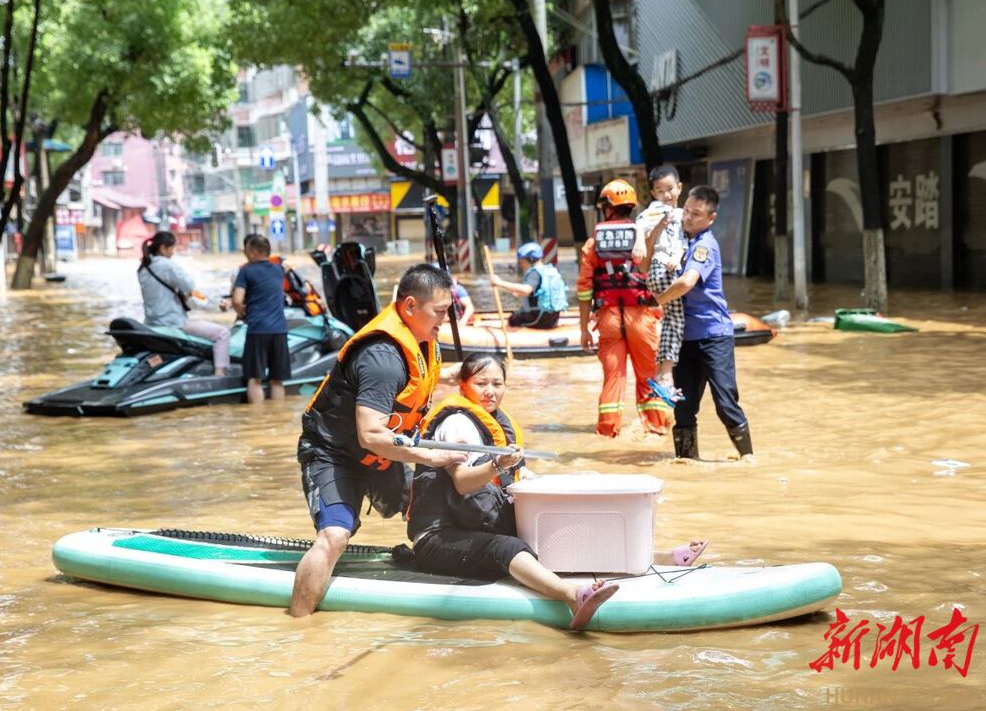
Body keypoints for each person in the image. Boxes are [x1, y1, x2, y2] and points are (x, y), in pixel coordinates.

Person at [407, 353, 709, 630]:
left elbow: (516, 480)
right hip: (437, 539)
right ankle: (570, 596)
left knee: (550, 526)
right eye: (481, 383)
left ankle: (656, 556)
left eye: (497, 383)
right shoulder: (457, 423)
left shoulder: (498, 422)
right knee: (505, 547)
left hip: (472, 524)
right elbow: (462, 482)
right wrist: (499, 464)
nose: (490, 391)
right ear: (464, 385)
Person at [291, 264, 467, 616]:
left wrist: (469, 375)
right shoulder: (382, 358)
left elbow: (420, 384)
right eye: (440, 312)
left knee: (434, 509)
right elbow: (371, 434)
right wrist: (433, 457)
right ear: (411, 307)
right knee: (335, 537)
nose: (446, 321)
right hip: (335, 454)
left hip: (385, 454)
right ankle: (299, 625)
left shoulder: (422, 340)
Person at [654, 185, 753, 460]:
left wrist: (657, 301)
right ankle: (687, 461)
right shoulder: (678, 242)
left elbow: (687, 282)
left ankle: (748, 459)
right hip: (685, 339)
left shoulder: (704, 245)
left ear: (711, 218)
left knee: (725, 402)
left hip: (713, 335)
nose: (687, 217)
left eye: (696, 214)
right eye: (686, 210)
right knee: (683, 407)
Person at [577, 179, 670, 438]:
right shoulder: (646, 235)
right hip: (642, 317)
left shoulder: (592, 244)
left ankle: (608, 433)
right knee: (649, 376)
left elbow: (584, 290)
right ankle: (656, 429)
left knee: (613, 378)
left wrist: (584, 329)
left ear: (606, 207)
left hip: (608, 319)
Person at [138, 231, 230, 377]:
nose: (172, 253)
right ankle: (220, 375)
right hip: (173, 322)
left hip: (152, 323)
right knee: (222, 334)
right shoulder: (167, 265)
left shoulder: (143, 268)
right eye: (171, 249)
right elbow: (189, 285)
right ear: (163, 248)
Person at [636, 165, 688, 404]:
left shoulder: (681, 214)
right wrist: (640, 243)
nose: (666, 195)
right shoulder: (657, 209)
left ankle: (661, 373)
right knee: (675, 320)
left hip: (666, 267)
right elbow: (639, 222)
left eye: (669, 189)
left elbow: (682, 243)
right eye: (660, 191)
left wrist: (677, 257)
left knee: (670, 319)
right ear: (653, 194)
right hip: (660, 268)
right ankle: (666, 377)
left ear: (679, 188)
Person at [233, 235, 289, 404]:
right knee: (277, 380)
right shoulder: (278, 270)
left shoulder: (246, 271)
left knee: (255, 378)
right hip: (279, 330)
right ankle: (277, 418)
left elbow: (236, 300)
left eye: (247, 250)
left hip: (257, 330)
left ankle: (257, 417)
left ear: (253, 251)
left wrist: (241, 311)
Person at [490, 242, 568, 329]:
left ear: (530, 260)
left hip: (538, 319)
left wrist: (499, 282)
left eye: (522, 262)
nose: (521, 265)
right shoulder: (550, 271)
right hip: (553, 318)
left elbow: (525, 290)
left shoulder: (534, 273)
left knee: (513, 318)